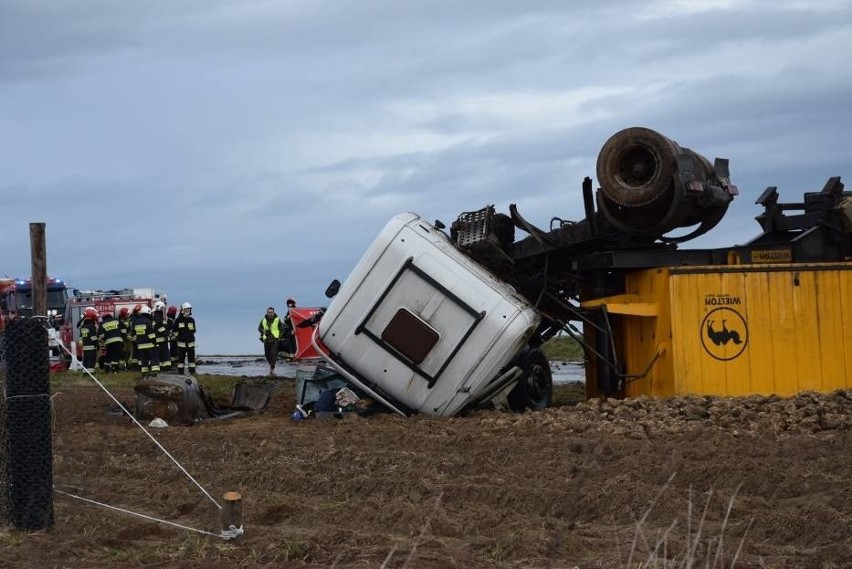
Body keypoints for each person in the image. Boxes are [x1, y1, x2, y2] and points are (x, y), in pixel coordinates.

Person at [132, 305, 159, 379]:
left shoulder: (136, 322)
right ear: (148, 312)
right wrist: (154, 342)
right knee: (154, 357)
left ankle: (144, 373)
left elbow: (134, 333)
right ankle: (155, 372)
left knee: (144, 360)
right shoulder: (148, 321)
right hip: (149, 344)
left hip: (140, 345)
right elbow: (151, 333)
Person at [258, 306, 286, 376]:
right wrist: (263, 331)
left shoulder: (277, 319)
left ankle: (272, 369)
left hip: (275, 339)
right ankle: (272, 364)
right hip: (266, 339)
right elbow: (259, 328)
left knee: (273, 353)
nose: (270, 313)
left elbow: (282, 329)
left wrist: (279, 337)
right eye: (269, 312)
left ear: (273, 313)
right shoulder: (263, 320)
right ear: (267, 313)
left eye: (271, 312)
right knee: (267, 354)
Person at [174, 302, 197, 375]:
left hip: (190, 343)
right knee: (181, 359)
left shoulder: (192, 320)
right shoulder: (178, 320)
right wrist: (180, 337)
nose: (188, 311)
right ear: (183, 310)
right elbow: (175, 331)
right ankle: (180, 372)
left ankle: (192, 372)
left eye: (189, 310)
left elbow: (194, 330)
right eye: (186, 310)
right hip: (181, 344)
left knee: (191, 359)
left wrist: (189, 336)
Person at [152, 301, 171, 371]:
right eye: (162, 308)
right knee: (163, 353)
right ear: (158, 308)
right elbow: (160, 327)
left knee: (161, 354)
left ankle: (163, 367)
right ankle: (165, 367)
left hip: (159, 339)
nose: (163, 310)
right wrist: (165, 334)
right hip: (160, 339)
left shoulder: (157, 316)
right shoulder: (157, 316)